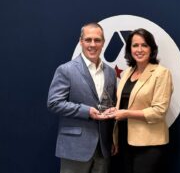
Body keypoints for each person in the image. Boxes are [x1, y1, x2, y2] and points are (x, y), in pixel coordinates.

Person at [47, 22, 117, 173]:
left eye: (97, 40)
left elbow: (110, 104)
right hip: (74, 148)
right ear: (81, 42)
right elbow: (54, 103)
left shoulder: (110, 73)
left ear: (103, 42)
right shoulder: (66, 70)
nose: (93, 44)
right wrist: (86, 111)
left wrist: (112, 138)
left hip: (103, 149)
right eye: (88, 40)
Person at [110, 28, 173, 173]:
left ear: (152, 49)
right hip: (124, 140)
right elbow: (124, 104)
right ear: (129, 49)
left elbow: (159, 111)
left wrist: (126, 114)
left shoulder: (161, 73)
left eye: (144, 45)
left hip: (148, 143)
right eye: (135, 45)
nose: (139, 49)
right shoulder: (127, 73)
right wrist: (115, 111)